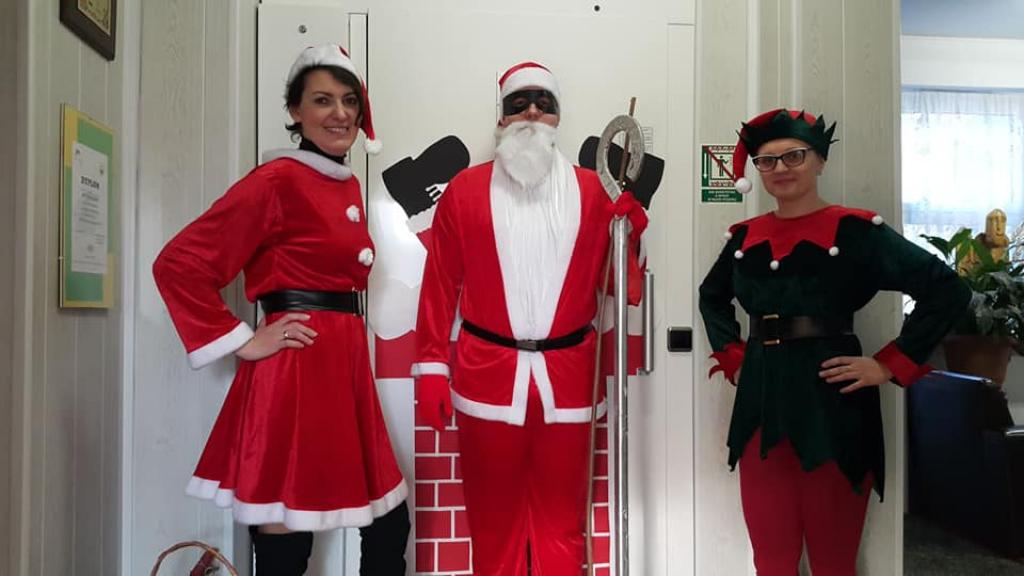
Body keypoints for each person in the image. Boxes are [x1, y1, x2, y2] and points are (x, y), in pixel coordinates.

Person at [152, 44, 409, 575]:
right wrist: (246, 340)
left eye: (349, 100)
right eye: (322, 100)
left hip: (342, 366)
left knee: (387, 521)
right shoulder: (276, 181)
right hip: (295, 370)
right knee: (285, 525)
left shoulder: (344, 181)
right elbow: (178, 264)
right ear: (295, 110)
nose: (340, 113)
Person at [699, 108, 971, 575]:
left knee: (833, 559)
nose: (780, 168)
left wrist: (888, 364)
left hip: (834, 405)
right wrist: (735, 357)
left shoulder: (859, 232)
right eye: (767, 161)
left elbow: (947, 290)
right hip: (761, 403)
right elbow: (712, 297)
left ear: (820, 160)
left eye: (794, 156)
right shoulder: (745, 238)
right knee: (771, 558)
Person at [412, 62, 646, 575]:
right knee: (493, 521)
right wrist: (430, 367)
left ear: (558, 116)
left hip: (569, 380)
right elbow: (438, 287)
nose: (533, 112)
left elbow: (624, 288)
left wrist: (628, 232)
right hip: (487, 377)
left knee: (563, 524)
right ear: (501, 117)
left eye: (544, 102)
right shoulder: (464, 190)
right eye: (519, 104)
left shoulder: (594, 193)